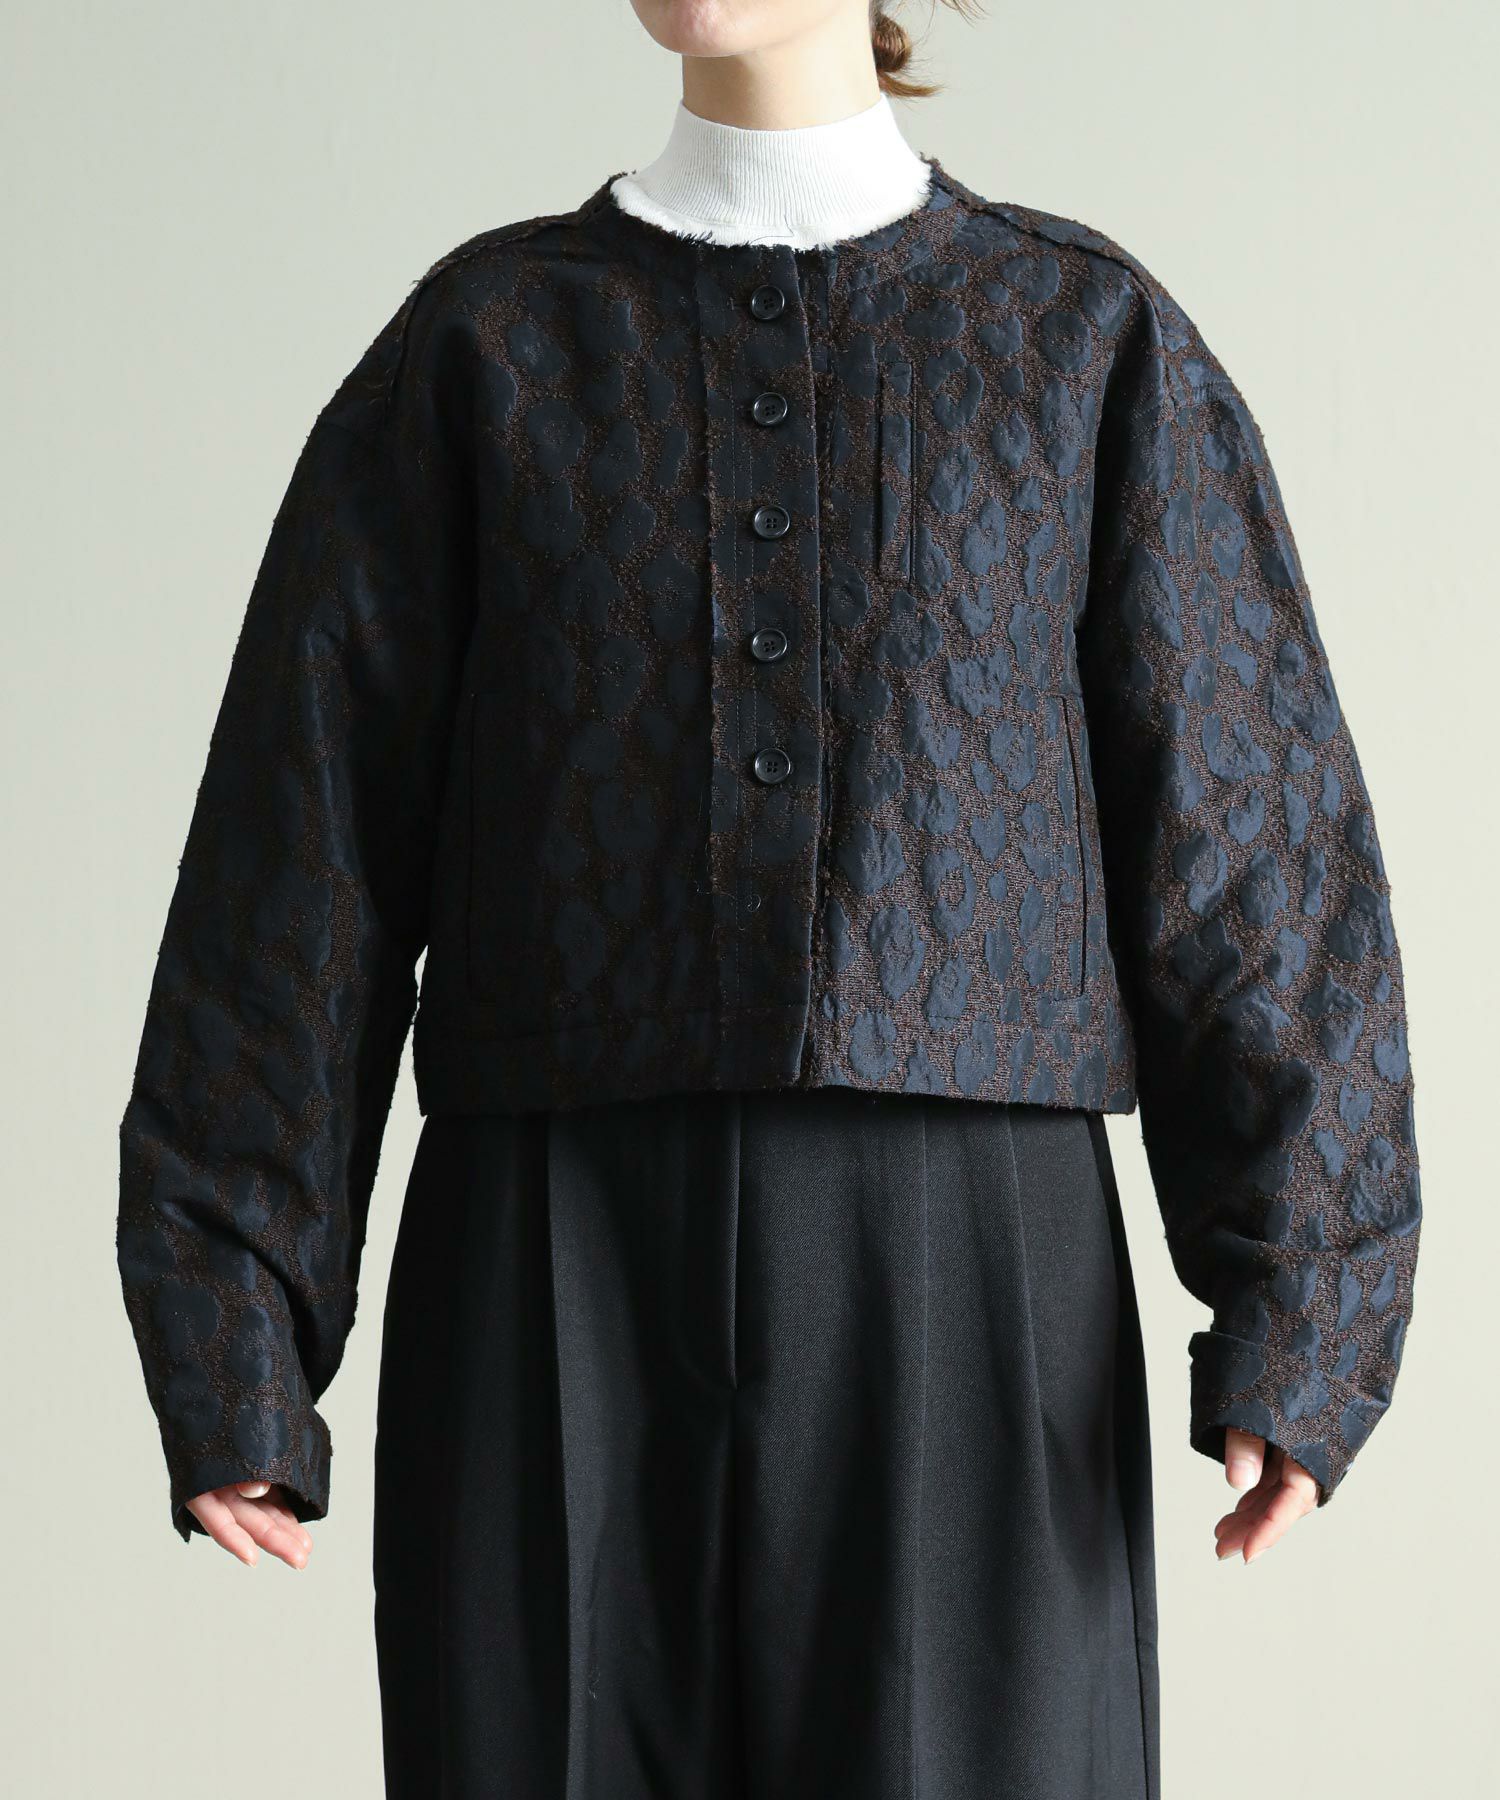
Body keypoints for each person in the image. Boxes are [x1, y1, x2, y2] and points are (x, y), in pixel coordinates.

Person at [114, 3, 1423, 1796]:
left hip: (970, 1276)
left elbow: (1256, 842)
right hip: (547, 1257)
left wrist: (1306, 1303)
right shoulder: (483, 348)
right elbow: (297, 848)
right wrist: (232, 1325)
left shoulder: (1080, 336)